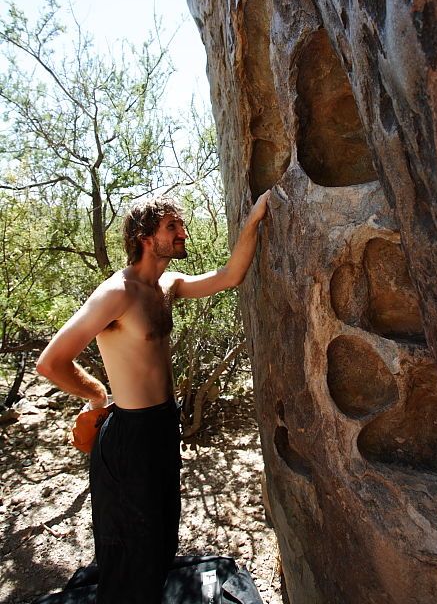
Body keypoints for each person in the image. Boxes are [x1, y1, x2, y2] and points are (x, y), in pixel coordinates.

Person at [36, 190, 271, 604]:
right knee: (131, 545)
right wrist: (96, 394)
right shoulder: (117, 292)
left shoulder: (167, 286)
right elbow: (51, 362)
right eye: (172, 227)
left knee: (161, 535)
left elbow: (229, 275)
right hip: (130, 436)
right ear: (146, 236)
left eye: (180, 225)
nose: (182, 233)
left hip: (164, 425)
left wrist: (253, 219)